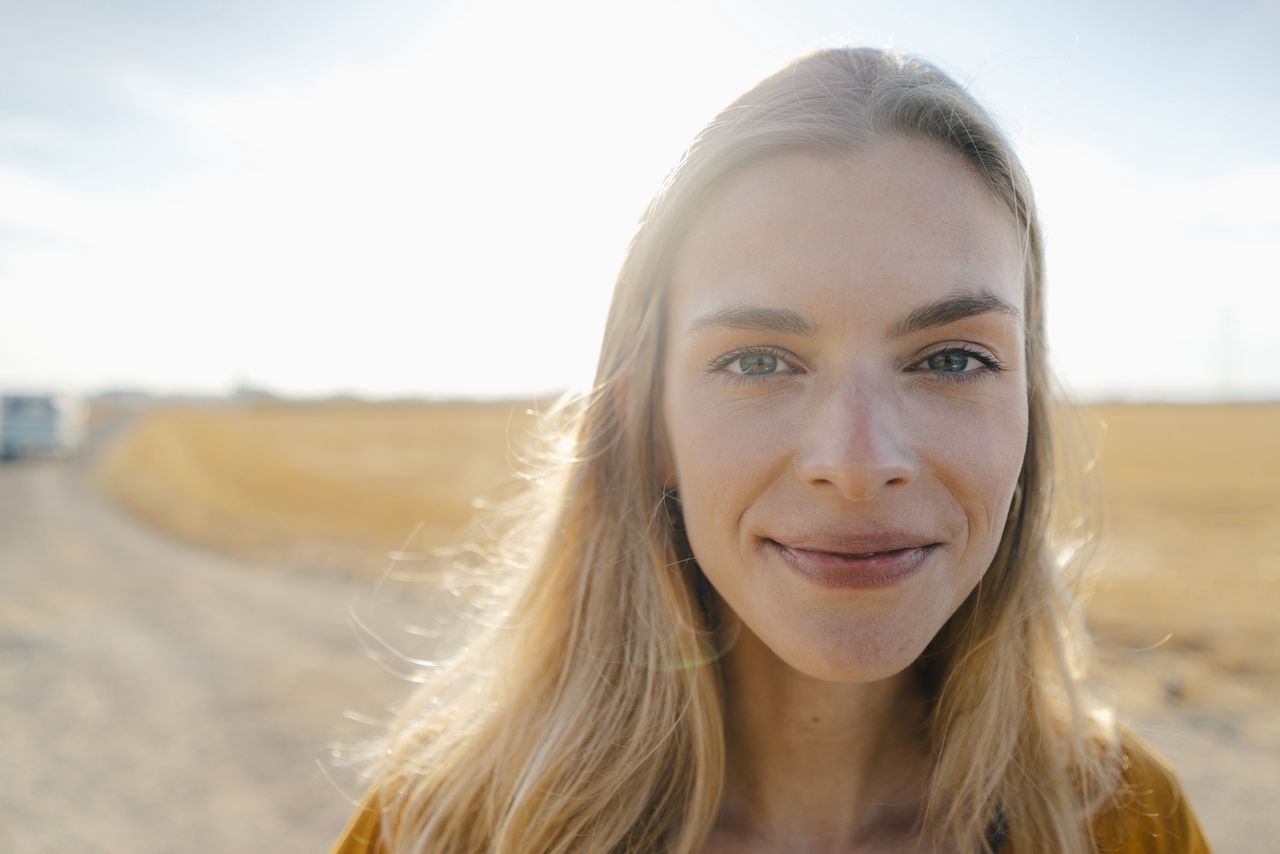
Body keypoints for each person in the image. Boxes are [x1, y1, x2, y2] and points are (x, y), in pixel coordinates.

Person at [331, 47, 1210, 853]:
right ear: (650, 427)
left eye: (952, 358)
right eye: (758, 361)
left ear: (1025, 411)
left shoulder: (1124, 823)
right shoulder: (446, 826)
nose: (859, 463)